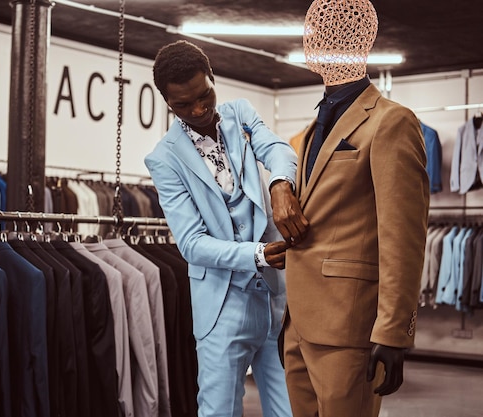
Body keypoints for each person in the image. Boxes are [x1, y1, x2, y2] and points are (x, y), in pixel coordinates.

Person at [278, 1, 431, 417]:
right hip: (298, 325)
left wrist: (394, 332)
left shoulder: (391, 122)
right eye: (309, 31)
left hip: (349, 328)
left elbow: (403, 236)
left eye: (317, 31)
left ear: (357, 41)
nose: (309, 40)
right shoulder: (310, 130)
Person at [144, 40, 309, 417]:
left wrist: (280, 182)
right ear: (167, 103)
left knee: (291, 408)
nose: (199, 110)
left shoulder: (241, 114)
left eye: (205, 96)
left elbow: (278, 149)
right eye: (183, 105)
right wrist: (257, 254)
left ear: (213, 78)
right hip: (221, 306)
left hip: (274, 299)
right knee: (219, 411)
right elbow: (192, 244)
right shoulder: (164, 159)